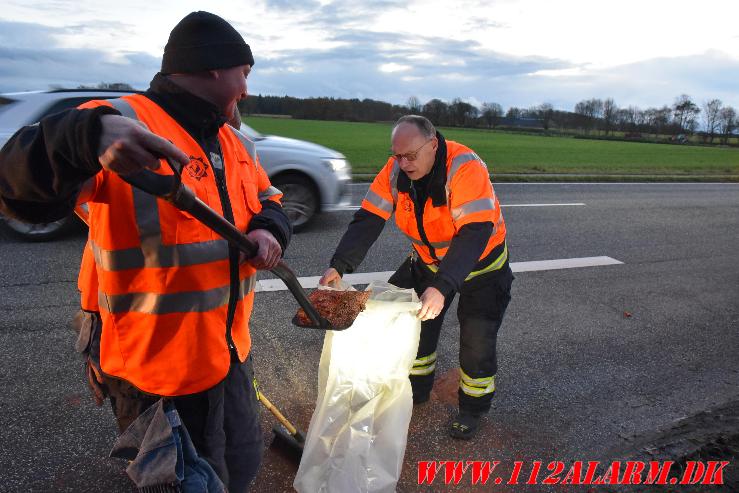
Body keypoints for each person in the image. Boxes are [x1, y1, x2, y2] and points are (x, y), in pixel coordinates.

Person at [0, 11, 292, 492]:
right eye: (245, 73)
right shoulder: (123, 123)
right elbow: (16, 191)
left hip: (229, 354)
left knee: (240, 464)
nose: (247, 87)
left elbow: (269, 200)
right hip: (154, 375)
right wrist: (86, 136)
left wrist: (270, 230)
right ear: (215, 67)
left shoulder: (233, 142)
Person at [320, 115, 513, 440]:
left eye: (411, 156)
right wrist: (339, 265)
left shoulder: (464, 166)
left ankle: (472, 409)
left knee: (476, 343)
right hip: (429, 263)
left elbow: (474, 231)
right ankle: (416, 391)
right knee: (416, 330)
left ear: (433, 145)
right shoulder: (396, 169)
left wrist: (442, 287)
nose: (403, 164)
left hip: (482, 269)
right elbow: (369, 217)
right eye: (398, 156)